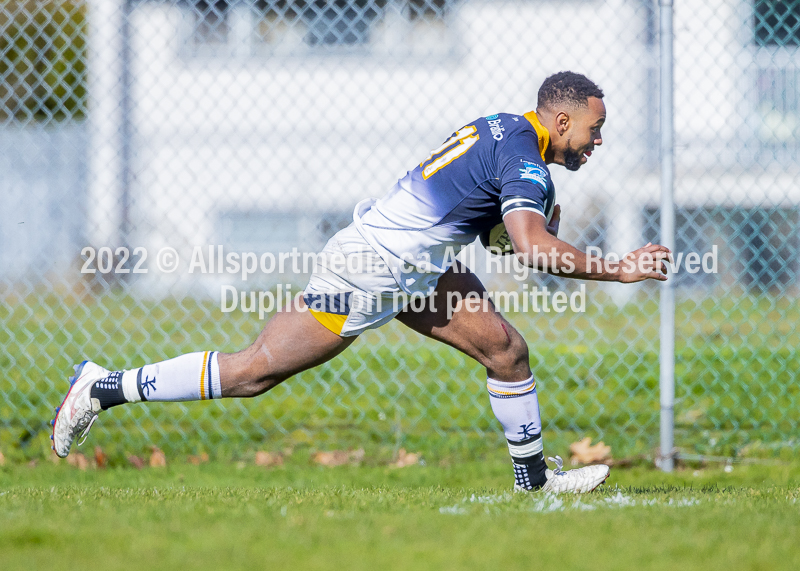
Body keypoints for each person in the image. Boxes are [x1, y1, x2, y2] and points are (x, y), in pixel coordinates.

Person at [53, 71, 670, 493]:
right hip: (371, 268)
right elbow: (531, 247)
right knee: (255, 372)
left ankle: (536, 486)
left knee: (507, 351)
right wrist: (618, 267)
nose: (597, 142)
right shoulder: (526, 161)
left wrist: (513, 235)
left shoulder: (506, 129)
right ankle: (103, 387)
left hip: (415, 268)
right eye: (594, 129)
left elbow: (490, 229)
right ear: (562, 119)